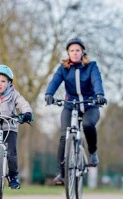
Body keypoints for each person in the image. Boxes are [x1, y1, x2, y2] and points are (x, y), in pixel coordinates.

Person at [44, 37, 107, 185]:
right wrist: (49, 94)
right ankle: (61, 173)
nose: (75, 53)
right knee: (64, 136)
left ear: (82, 51)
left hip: (90, 105)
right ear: (68, 52)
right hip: (70, 105)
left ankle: (92, 152)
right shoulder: (63, 68)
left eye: (77, 50)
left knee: (87, 125)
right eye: (71, 50)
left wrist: (100, 95)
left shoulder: (91, 66)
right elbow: (55, 81)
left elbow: (96, 80)